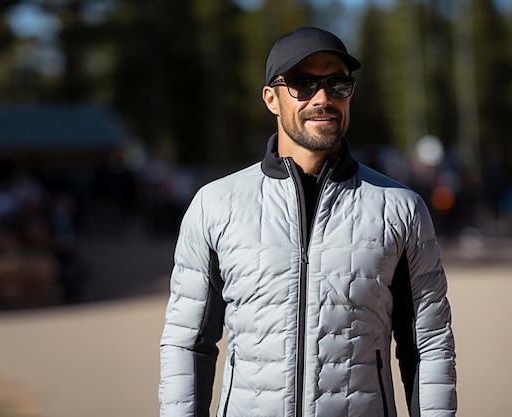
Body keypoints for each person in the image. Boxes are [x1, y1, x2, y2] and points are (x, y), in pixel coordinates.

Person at [159, 26, 457, 417]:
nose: (322, 97)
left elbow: (429, 344)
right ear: (271, 99)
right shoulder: (214, 205)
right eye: (302, 83)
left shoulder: (401, 208)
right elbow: (187, 344)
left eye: (337, 83)